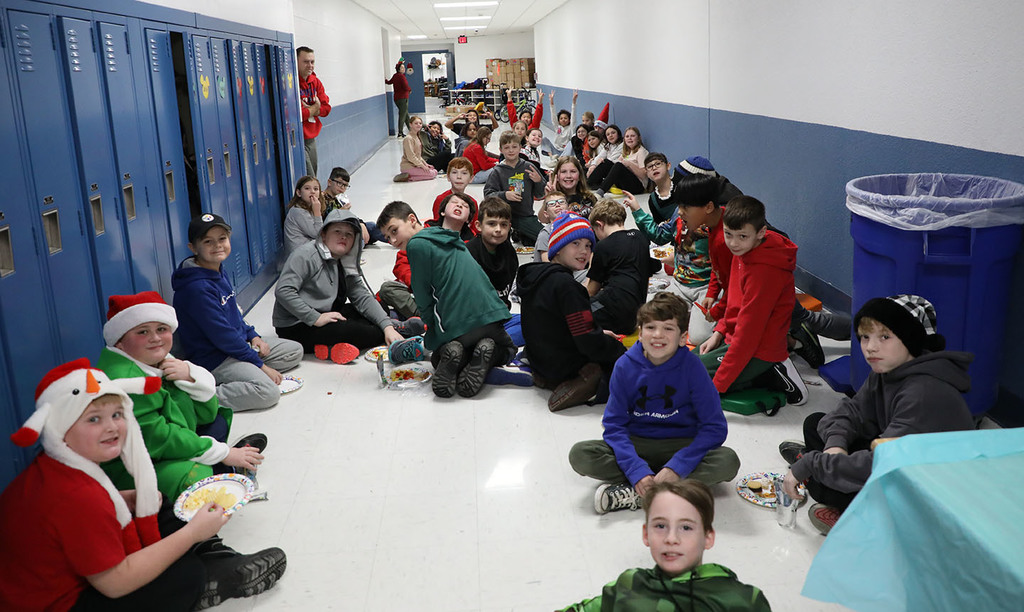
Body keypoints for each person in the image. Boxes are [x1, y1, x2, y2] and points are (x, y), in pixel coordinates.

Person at [0, 359, 286, 611]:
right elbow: (114, 583)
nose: (111, 427)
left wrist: (119, 500)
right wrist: (190, 536)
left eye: (116, 414)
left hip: (68, 571)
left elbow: (71, 523)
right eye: (93, 420)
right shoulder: (75, 496)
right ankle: (206, 576)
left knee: (159, 503)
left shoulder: (58, 467)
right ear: (59, 429)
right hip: (63, 603)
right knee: (186, 576)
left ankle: (211, 555)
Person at [780, 295, 974, 535]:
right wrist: (835, 446)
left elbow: (882, 465)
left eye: (884, 337)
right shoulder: (888, 368)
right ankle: (819, 467)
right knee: (815, 423)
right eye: (865, 337)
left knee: (827, 488)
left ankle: (846, 506)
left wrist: (812, 464)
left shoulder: (923, 393)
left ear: (911, 340)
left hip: (929, 499)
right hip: (895, 459)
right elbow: (852, 410)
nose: (870, 347)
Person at [568, 293, 741, 513]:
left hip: (681, 442)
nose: (658, 335)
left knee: (728, 461)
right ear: (640, 333)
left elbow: (714, 427)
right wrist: (636, 469)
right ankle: (665, 488)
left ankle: (639, 493)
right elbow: (614, 426)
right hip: (638, 442)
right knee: (581, 454)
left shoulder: (693, 367)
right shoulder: (625, 366)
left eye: (668, 328)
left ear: (682, 337)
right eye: (650, 327)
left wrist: (677, 467)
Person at [96, 291, 266, 500]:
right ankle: (221, 473)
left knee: (218, 421)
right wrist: (224, 453)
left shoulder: (157, 359)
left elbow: (204, 415)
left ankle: (221, 466)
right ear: (119, 342)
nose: (155, 338)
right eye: (142, 332)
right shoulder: (127, 382)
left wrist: (191, 377)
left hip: (158, 447)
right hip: (131, 466)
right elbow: (160, 438)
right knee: (196, 477)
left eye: (161, 329)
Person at [558, 480, 772, 611]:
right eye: (660, 525)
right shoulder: (630, 584)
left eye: (686, 528)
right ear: (646, 535)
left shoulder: (742, 601)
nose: (671, 538)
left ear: (708, 537)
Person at [377, 201, 516, 398]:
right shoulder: (449, 237)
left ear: (411, 219)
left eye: (394, 231)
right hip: (491, 318)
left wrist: (431, 329)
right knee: (507, 349)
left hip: (458, 325)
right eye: (387, 237)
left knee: (438, 356)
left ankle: (459, 352)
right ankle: (485, 351)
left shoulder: (416, 245)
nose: (392, 240)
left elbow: (422, 293)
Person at [172, 213, 303, 412]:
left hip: (236, 346)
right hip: (215, 358)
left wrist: (253, 335)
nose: (217, 245)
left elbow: (233, 314)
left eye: (222, 239)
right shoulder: (196, 288)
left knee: (294, 351)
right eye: (208, 241)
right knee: (268, 392)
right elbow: (222, 336)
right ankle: (200, 399)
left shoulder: (215, 269)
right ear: (193, 248)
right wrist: (260, 366)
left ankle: (245, 369)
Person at [695, 196, 807, 404]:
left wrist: (717, 387)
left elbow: (749, 334)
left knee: (693, 380)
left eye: (742, 236)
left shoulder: (764, 273)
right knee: (687, 362)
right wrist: (719, 332)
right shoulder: (745, 249)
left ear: (761, 233)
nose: (733, 243)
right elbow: (733, 297)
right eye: (728, 234)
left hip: (760, 349)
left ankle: (772, 371)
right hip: (739, 338)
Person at [274, 209, 423, 363]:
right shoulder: (305, 255)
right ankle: (396, 335)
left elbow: (361, 296)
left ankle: (390, 328)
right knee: (363, 332)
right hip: (297, 324)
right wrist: (315, 317)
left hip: (328, 312)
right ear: (324, 235)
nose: (343, 236)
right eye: (337, 231)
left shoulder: (344, 259)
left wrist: (386, 326)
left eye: (349, 234)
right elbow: (283, 291)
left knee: (380, 308)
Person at [517, 212, 625, 411]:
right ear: (557, 249)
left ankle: (545, 379)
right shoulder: (568, 287)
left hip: (539, 358)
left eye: (588, 245)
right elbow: (587, 341)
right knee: (625, 368)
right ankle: (590, 387)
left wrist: (597, 332)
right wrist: (619, 351)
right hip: (562, 366)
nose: (584, 251)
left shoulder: (537, 276)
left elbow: (560, 324)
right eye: (575, 243)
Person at [626, 157, 716, 345]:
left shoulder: (716, 222)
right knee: (652, 318)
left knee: (699, 336)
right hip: (679, 282)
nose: (681, 211)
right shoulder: (679, 213)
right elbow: (660, 235)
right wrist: (637, 210)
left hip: (705, 288)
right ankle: (690, 312)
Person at [587, 199, 662, 335]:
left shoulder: (603, 246)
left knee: (576, 314)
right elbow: (652, 269)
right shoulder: (640, 237)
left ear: (599, 224)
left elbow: (592, 289)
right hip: (636, 313)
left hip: (614, 311)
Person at [483, 130, 547, 246]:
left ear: (520, 148)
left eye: (514, 147)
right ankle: (514, 232)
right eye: (506, 147)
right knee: (500, 245)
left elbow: (540, 194)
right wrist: (504, 195)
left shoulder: (529, 167)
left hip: (525, 216)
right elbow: (488, 196)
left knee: (545, 238)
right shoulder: (497, 171)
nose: (511, 150)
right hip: (503, 218)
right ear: (501, 150)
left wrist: (539, 181)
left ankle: (520, 233)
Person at [466, 197, 518, 309]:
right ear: (478, 226)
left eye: (503, 224)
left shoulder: (509, 251)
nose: (498, 229)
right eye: (492, 224)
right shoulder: (469, 254)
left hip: (501, 311)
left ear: (509, 227)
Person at [320, 166, 385, 245]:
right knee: (357, 239)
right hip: (336, 234)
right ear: (329, 182)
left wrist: (361, 224)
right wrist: (339, 213)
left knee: (371, 226)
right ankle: (354, 252)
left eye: (345, 185)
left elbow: (350, 217)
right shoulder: (321, 199)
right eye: (339, 183)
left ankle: (397, 239)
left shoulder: (338, 200)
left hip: (347, 229)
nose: (342, 188)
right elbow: (323, 224)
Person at [297, 46, 330, 177]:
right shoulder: (290, 83)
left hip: (311, 137)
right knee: (310, 178)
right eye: (306, 62)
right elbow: (297, 115)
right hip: (297, 138)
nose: (310, 65)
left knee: (313, 174)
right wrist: (315, 108)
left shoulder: (316, 82)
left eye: (312, 62)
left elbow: (326, 109)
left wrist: (312, 110)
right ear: (296, 61)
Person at [594, 126, 649, 196]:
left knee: (618, 166)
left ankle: (600, 192)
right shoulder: (626, 152)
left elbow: (644, 174)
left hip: (637, 186)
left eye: (632, 136)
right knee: (607, 163)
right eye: (627, 136)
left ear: (638, 138)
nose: (629, 138)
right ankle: (591, 184)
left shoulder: (641, 152)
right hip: (624, 183)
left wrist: (629, 164)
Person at [431, 156, 478, 225]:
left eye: (464, 173)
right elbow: (437, 225)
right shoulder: (441, 199)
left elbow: (474, 228)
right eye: (454, 172)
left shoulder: (472, 203)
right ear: (448, 177)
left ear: (471, 178)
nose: (459, 177)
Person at [283, 175, 323, 255]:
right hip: (299, 256)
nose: (312, 192)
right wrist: (317, 212)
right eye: (307, 188)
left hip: (306, 250)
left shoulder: (310, 207)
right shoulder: (298, 211)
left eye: (316, 189)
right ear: (299, 193)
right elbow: (318, 234)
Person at [394, 116, 439, 182]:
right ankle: (408, 177)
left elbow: (418, 156)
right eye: (416, 123)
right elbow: (411, 157)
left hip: (415, 165)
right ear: (410, 124)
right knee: (432, 174)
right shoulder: (408, 139)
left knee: (434, 170)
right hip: (408, 166)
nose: (418, 125)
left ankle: (412, 175)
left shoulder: (417, 137)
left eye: (420, 123)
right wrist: (422, 166)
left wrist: (425, 164)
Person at [585, 124, 623, 188]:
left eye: (613, 133)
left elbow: (612, 159)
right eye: (608, 134)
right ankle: (590, 183)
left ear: (618, 134)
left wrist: (597, 163)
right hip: (609, 169)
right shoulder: (608, 145)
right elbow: (599, 156)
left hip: (618, 170)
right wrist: (593, 165)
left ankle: (589, 183)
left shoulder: (622, 144)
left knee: (605, 163)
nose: (610, 135)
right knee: (588, 167)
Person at [385, 60, 411, 138]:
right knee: (402, 115)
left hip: (397, 98)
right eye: (402, 67)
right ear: (399, 69)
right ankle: (400, 132)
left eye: (404, 67)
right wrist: (409, 89)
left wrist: (385, 80)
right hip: (403, 98)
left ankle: (411, 130)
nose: (404, 68)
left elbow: (389, 82)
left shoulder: (395, 76)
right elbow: (405, 86)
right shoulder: (401, 76)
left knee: (406, 115)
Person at [548, 89, 578, 155]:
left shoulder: (571, 128)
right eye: (561, 118)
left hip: (566, 151)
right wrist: (551, 102)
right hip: (556, 150)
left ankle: (560, 160)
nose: (563, 120)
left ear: (569, 120)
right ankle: (552, 157)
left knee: (571, 143)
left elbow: (573, 117)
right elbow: (553, 116)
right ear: (558, 120)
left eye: (565, 118)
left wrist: (574, 102)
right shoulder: (557, 127)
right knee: (544, 140)